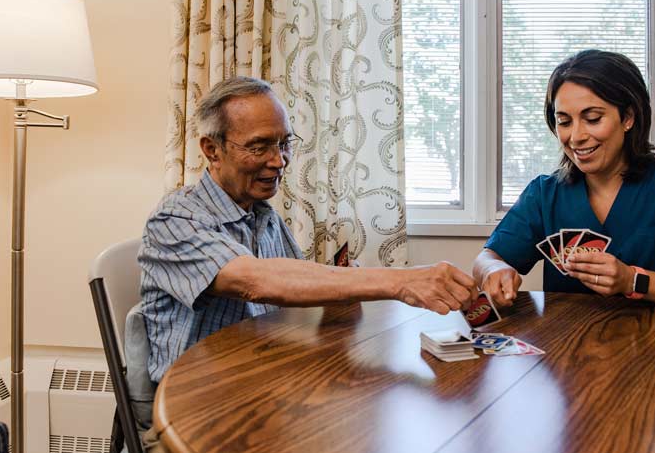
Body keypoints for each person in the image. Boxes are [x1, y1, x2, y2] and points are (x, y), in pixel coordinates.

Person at [133, 77, 477, 449]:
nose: (278, 161)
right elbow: (256, 281)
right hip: (197, 409)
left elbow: (296, 291)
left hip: (261, 388)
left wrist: (341, 287)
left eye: (284, 144)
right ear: (211, 150)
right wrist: (400, 282)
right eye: (259, 146)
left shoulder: (263, 216)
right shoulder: (174, 221)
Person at [474, 50, 655, 309]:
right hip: (571, 351)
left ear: (628, 117)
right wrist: (494, 270)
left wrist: (631, 280)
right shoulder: (545, 194)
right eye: (564, 121)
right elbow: (488, 258)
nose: (576, 136)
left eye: (592, 118)